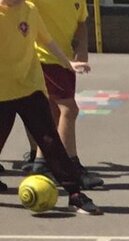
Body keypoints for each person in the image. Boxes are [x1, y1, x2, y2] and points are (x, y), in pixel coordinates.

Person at [0, 0, 99, 211]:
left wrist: (67, 62)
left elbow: (47, 40)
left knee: (50, 139)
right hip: (2, 92)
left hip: (29, 87)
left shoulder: (30, 10)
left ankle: (75, 194)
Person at [26, 0, 103, 187]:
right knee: (69, 109)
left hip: (66, 60)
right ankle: (70, 165)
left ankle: (43, 163)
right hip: (45, 58)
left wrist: (82, 51)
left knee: (54, 111)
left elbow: (81, 22)